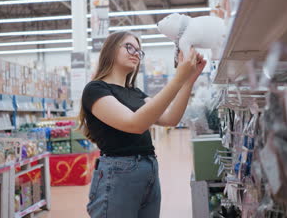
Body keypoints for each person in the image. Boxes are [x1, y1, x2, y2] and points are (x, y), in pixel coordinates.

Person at [79, 31, 206, 218]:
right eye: (129, 47)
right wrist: (178, 77)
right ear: (110, 50)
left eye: (139, 51)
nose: (135, 53)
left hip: (149, 168)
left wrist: (188, 82)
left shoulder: (135, 92)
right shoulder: (96, 89)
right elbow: (135, 124)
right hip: (118, 173)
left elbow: (171, 118)